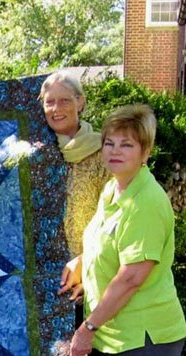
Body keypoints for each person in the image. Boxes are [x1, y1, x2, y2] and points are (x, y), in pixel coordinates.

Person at [59, 105, 186, 355]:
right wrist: (84, 262)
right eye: (109, 143)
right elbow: (111, 242)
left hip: (144, 338)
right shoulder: (112, 189)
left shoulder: (145, 202)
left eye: (126, 144)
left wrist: (87, 329)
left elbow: (131, 278)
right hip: (114, 335)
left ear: (145, 152)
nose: (115, 150)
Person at [41, 71, 111, 330]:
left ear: (80, 103)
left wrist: (87, 263)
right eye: (49, 102)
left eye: (65, 101)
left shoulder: (104, 153)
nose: (56, 109)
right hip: (43, 280)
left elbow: (115, 218)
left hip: (92, 273)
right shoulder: (34, 154)